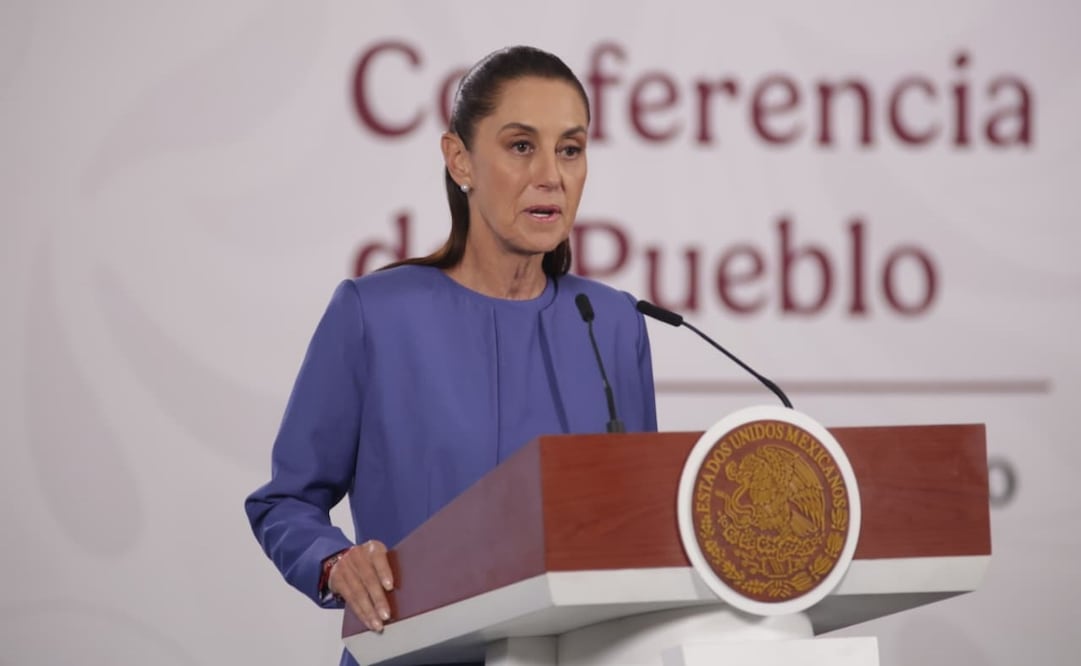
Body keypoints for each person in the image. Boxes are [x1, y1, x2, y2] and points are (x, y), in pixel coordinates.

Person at [245, 45, 658, 666]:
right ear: (459, 159)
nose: (551, 175)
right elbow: (286, 501)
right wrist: (334, 562)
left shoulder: (611, 324)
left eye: (570, 150)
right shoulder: (375, 314)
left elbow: (640, 526)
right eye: (522, 146)